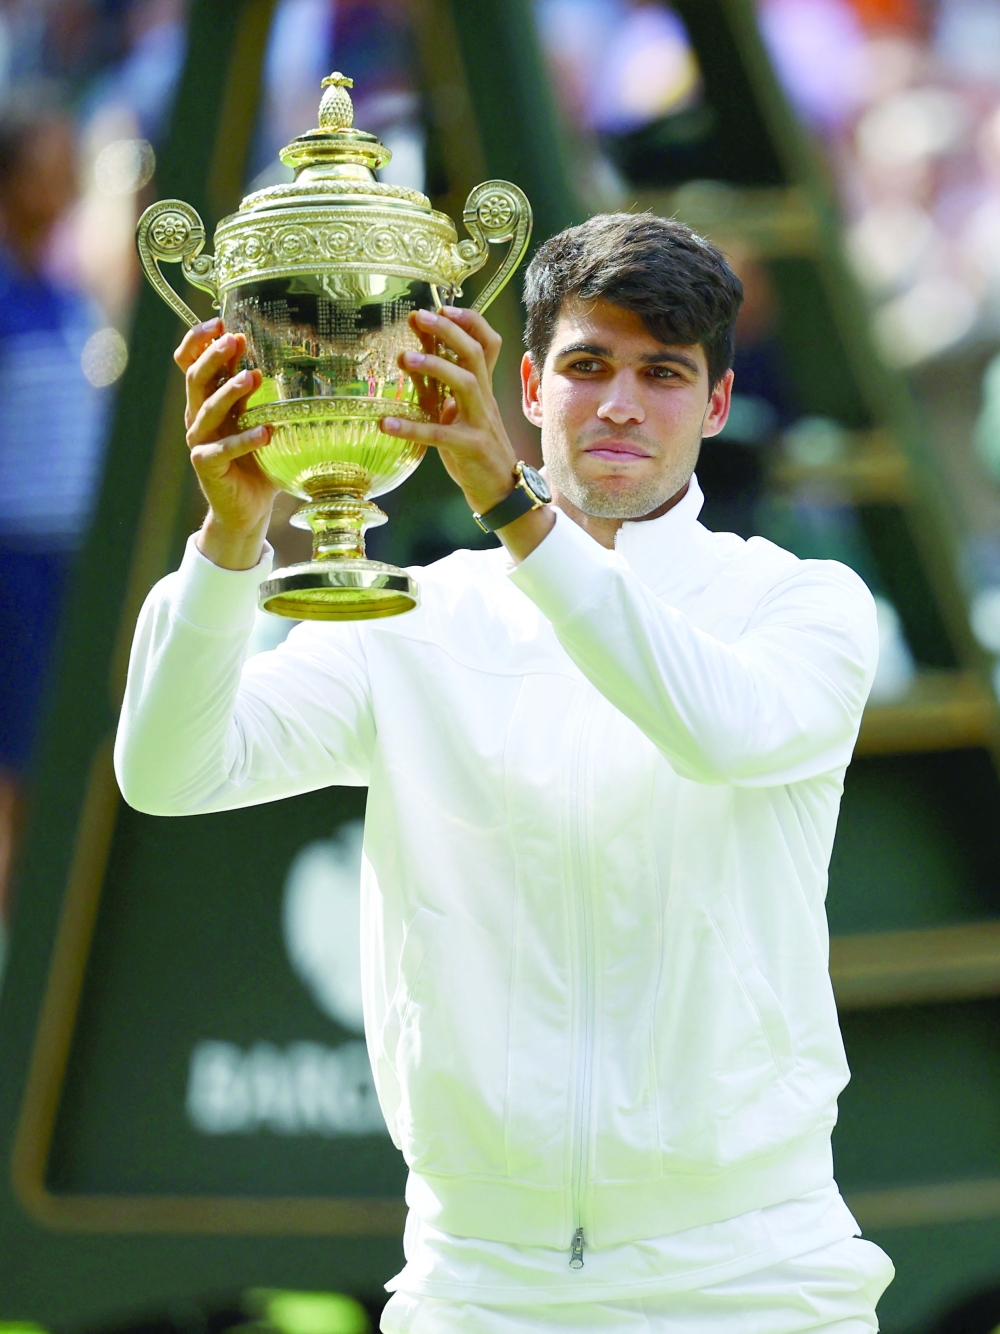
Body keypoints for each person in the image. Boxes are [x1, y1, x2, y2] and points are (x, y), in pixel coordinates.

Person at [115, 213, 893, 1333]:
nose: (620, 403)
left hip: (755, 1269)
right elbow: (170, 769)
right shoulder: (416, 615)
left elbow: (714, 730)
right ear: (527, 384)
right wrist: (230, 542)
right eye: (586, 366)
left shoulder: (803, 603)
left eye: (662, 374)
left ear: (715, 405)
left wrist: (513, 506)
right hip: (476, 1280)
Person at [0, 90, 101, 922]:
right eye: (48, 168)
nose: (66, 182)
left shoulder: (67, 298)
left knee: (50, 752)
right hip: (13, 565)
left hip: (70, 562)